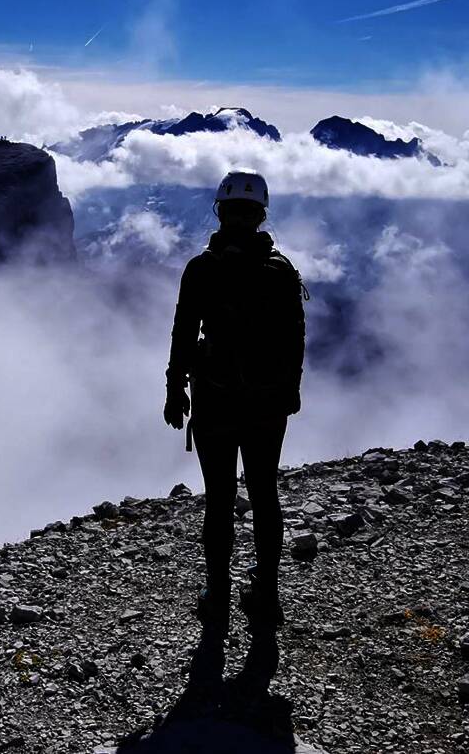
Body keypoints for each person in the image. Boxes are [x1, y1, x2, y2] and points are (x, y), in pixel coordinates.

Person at [164, 170, 305, 637]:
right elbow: (294, 338)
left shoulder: (202, 269)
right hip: (267, 404)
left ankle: (217, 595)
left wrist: (175, 388)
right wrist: (290, 391)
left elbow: (185, 332)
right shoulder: (281, 271)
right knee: (265, 495)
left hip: (216, 399)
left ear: (220, 212)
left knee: (220, 500)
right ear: (261, 215)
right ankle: (266, 593)